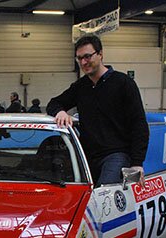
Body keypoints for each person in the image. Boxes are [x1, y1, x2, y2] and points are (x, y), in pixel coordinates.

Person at [46, 35, 149, 185]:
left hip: (116, 155)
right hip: (87, 157)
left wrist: (137, 163)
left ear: (100, 54)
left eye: (87, 56)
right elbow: (54, 103)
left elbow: (139, 124)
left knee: (103, 197)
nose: (83, 62)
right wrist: (60, 112)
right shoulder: (80, 87)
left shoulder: (123, 83)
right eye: (79, 58)